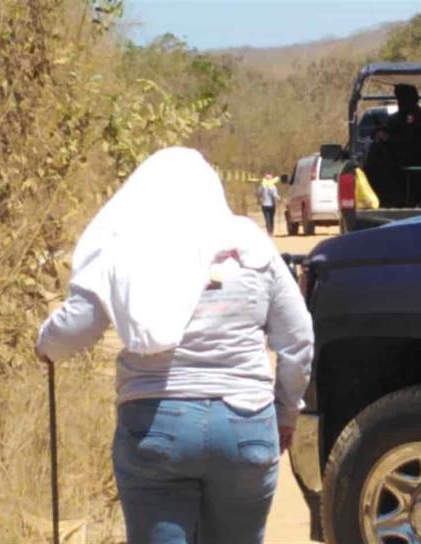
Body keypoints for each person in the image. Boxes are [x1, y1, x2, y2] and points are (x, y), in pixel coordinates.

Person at [36, 147, 314, 544]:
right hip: (246, 427)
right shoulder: (251, 247)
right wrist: (286, 413)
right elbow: (299, 337)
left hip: (157, 425)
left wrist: (45, 345)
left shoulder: (130, 246)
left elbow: (74, 328)